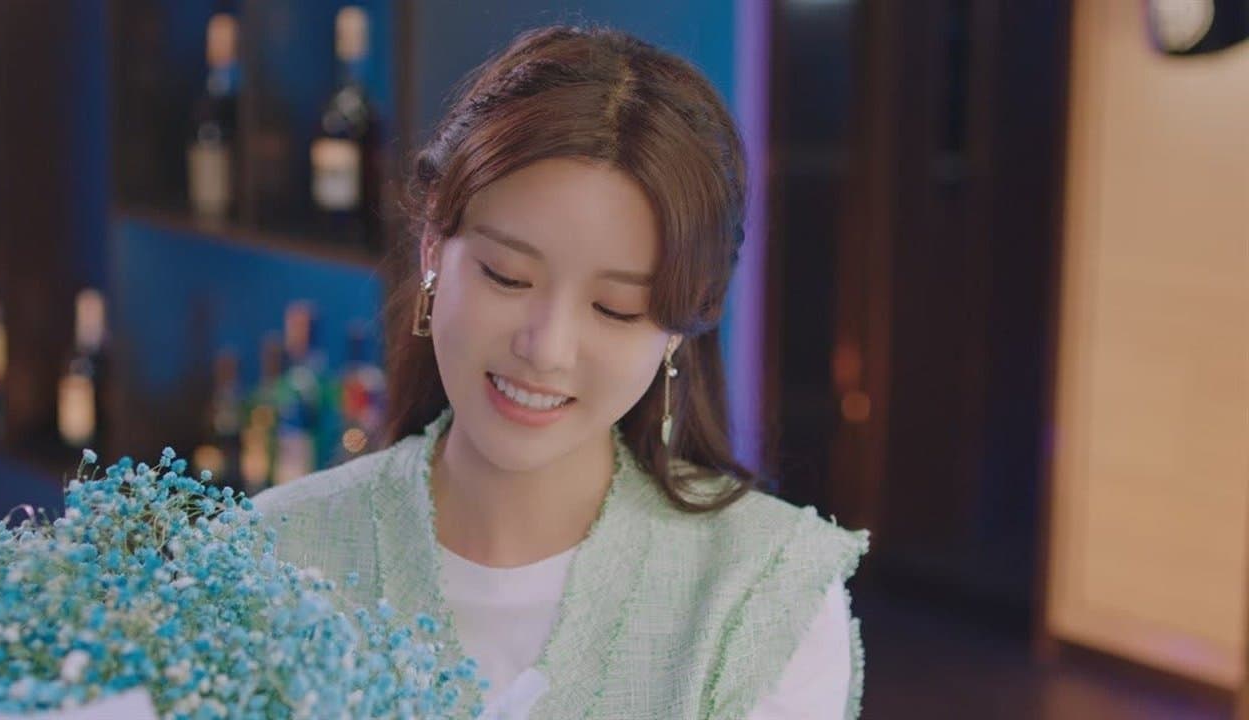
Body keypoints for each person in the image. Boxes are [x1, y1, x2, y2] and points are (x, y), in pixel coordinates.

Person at [253, 25, 869, 720]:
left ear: (676, 326)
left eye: (615, 309)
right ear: (432, 251)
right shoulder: (267, 556)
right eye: (506, 276)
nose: (546, 349)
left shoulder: (763, 600)